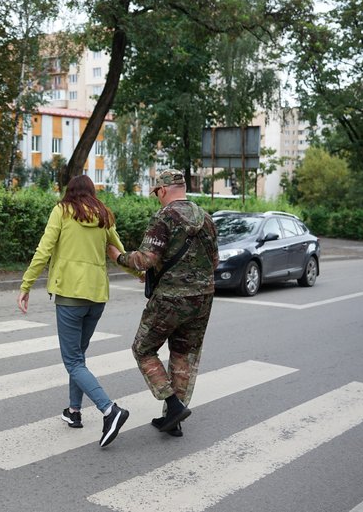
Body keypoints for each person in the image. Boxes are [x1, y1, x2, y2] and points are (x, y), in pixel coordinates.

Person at [17, 175, 139, 448]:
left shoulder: (62, 210)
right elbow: (117, 250)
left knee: (72, 361)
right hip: (96, 297)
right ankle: (73, 412)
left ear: (69, 191)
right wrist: (137, 272)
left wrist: (26, 285)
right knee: (79, 358)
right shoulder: (103, 214)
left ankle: (109, 410)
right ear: (92, 191)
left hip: (70, 296)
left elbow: (44, 250)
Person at [109, 169, 219, 437]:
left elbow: (145, 259)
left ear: (163, 190)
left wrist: (117, 256)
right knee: (183, 354)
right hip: (202, 298)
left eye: (156, 193)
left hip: (171, 299)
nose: (157, 198)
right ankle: (174, 421)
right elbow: (214, 262)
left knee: (143, 349)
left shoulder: (164, 217)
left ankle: (172, 404)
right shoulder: (206, 218)